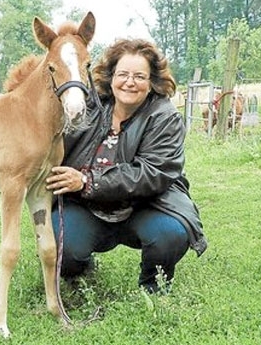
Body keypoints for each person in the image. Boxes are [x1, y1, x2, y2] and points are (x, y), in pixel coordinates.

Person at [46, 38, 207, 293]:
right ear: (111, 77)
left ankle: (153, 284)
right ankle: (80, 270)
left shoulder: (165, 117)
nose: (130, 82)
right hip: (86, 207)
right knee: (60, 244)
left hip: (147, 205)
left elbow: (151, 173)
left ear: (151, 81)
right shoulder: (86, 105)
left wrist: (87, 180)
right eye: (123, 74)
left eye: (139, 76)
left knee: (171, 233)